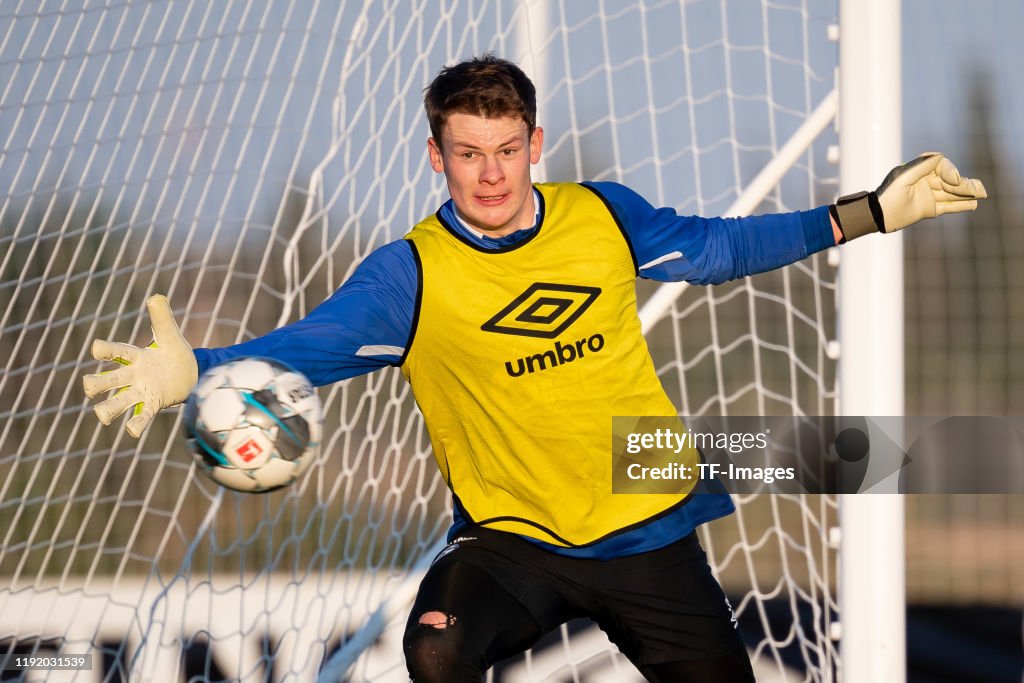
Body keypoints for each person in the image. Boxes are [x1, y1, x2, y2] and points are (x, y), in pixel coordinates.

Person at [82, 55, 986, 682]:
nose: (490, 175)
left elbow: (719, 248)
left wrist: (865, 211)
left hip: (646, 526)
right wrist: (195, 368)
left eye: (506, 149)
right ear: (436, 155)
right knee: (436, 643)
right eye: (468, 154)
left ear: (534, 142)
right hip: (513, 539)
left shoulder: (601, 216)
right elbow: (311, 346)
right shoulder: (411, 273)